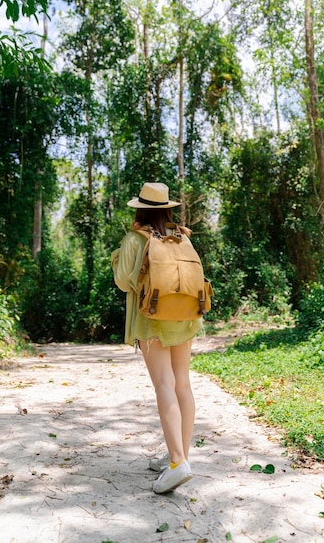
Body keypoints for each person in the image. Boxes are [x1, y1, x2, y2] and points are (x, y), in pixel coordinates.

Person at [111, 182, 203, 494]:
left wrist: (118, 256)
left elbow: (124, 282)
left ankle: (177, 463)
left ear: (139, 209)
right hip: (186, 318)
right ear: (167, 209)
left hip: (152, 321)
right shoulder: (182, 237)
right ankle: (181, 456)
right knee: (182, 385)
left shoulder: (136, 239)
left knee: (164, 386)